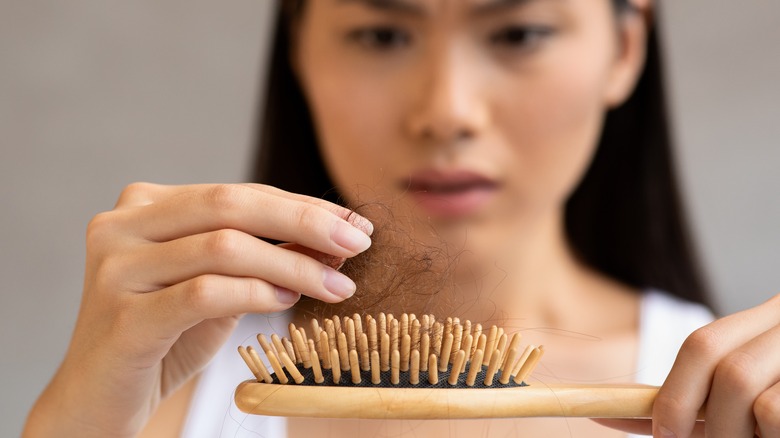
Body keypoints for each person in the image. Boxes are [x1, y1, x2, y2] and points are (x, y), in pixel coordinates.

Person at [22, 0, 780, 437]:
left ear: (623, 46)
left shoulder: (736, 399)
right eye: (382, 34)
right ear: (299, 48)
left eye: (518, 33)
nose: (445, 111)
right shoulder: (163, 387)